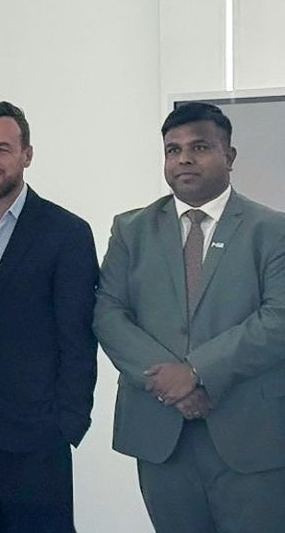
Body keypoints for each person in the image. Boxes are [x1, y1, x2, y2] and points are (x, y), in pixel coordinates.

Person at [95, 101, 285, 533]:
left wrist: (197, 371)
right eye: (173, 149)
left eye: (199, 147)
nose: (184, 158)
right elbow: (108, 313)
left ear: (229, 156)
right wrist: (171, 383)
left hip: (251, 437)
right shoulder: (131, 230)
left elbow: (278, 319)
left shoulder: (272, 230)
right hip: (161, 435)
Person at [0, 102, 98, 532]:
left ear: (27, 155)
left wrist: (68, 423)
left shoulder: (66, 233)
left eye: (1, 148)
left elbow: (78, 338)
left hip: (36, 436)